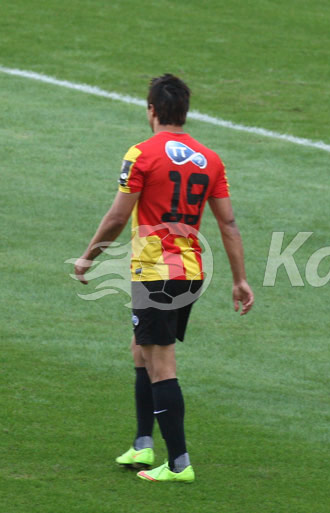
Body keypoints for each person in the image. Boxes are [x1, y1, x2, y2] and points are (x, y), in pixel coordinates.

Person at [74, 74, 254, 482]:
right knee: (142, 349)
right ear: (185, 112)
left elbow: (119, 216)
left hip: (155, 273)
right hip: (190, 272)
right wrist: (240, 279)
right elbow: (229, 225)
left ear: (152, 110)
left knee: (161, 363)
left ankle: (178, 464)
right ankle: (142, 445)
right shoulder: (210, 159)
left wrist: (88, 257)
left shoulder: (142, 154)